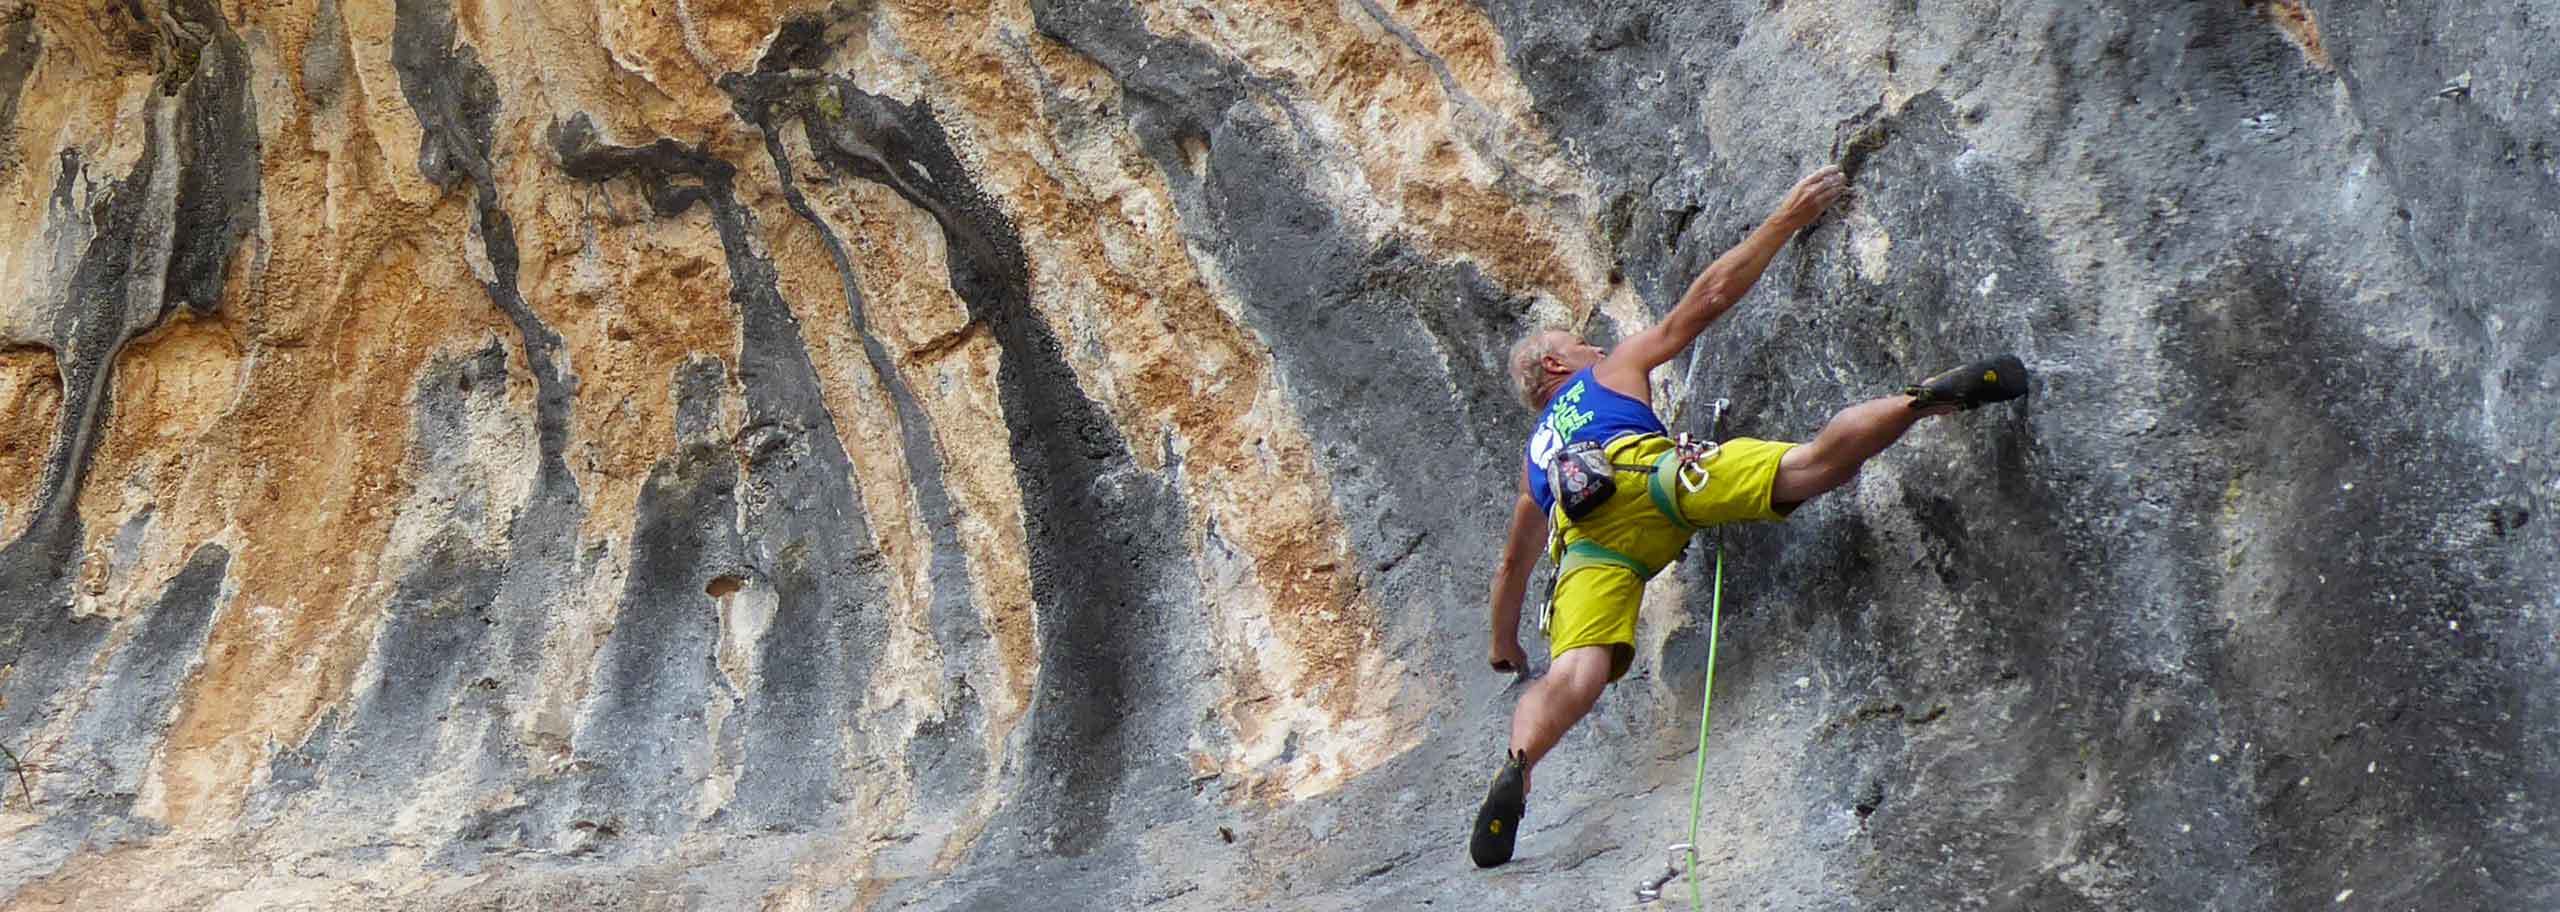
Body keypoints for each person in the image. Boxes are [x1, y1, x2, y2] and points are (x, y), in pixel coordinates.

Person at [1471, 164, 2029, 868]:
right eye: (1582, 343)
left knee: (1573, 678)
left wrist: (1506, 648)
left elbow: (1513, 565)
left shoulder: (1533, 461)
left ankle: (1520, 764)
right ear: (1557, 364)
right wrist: (1783, 220)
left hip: (1594, 549)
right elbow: (1703, 302)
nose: (1597, 347)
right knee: (1811, 466)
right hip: (1654, 474)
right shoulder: (1605, 375)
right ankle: (1925, 401)